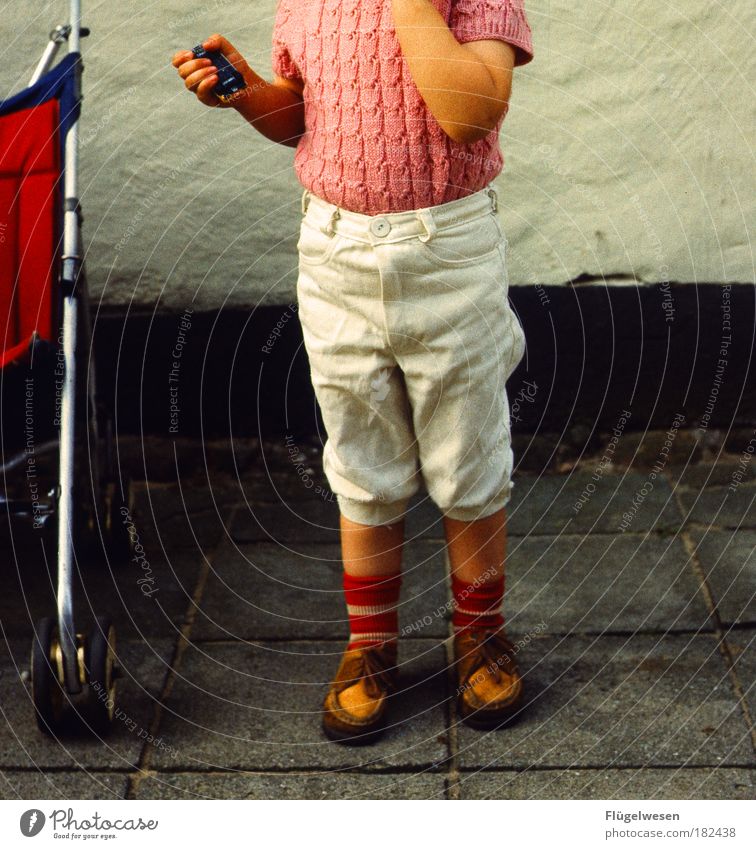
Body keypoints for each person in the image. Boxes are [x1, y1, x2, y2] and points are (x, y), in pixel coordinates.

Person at [172, 0, 534, 745]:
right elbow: (300, 118)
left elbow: (469, 114)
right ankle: (370, 644)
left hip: (448, 253)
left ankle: (479, 632)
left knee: (467, 451)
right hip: (334, 249)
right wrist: (246, 93)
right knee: (361, 455)